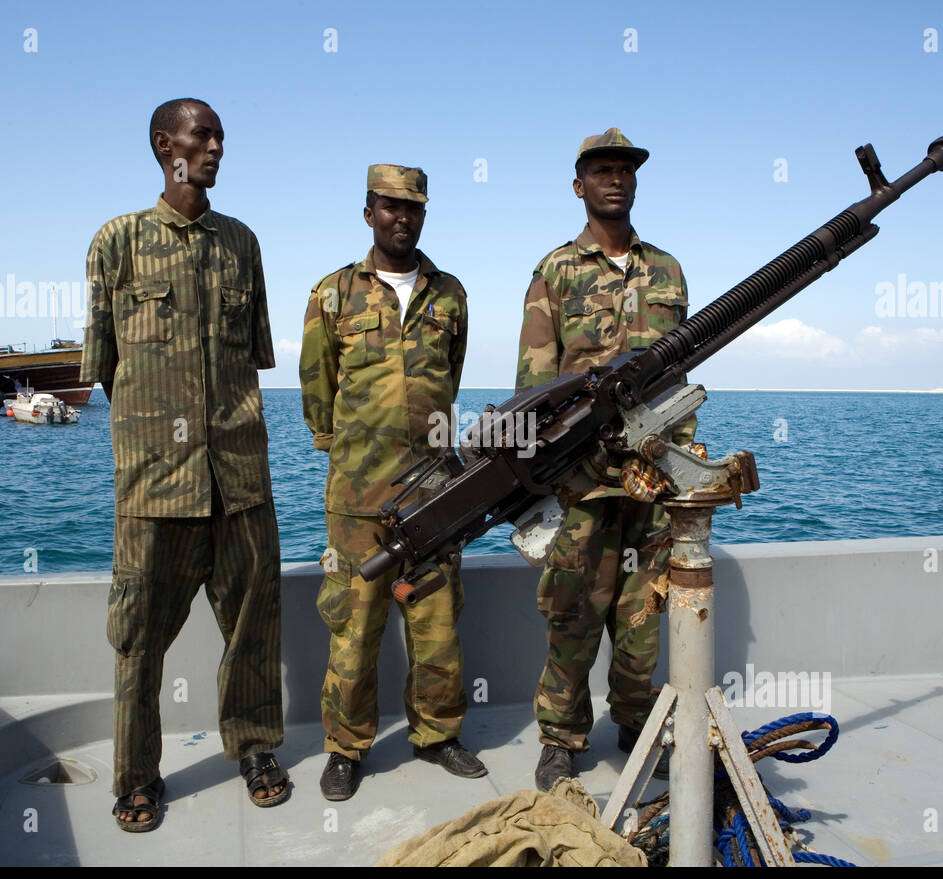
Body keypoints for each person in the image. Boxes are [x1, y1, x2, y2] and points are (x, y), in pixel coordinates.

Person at [81, 97, 288, 832]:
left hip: (239, 474)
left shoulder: (242, 244)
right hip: (153, 483)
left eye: (222, 136)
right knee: (137, 637)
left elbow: (253, 361)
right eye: (203, 135)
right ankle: (137, 776)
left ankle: (256, 748)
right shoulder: (118, 243)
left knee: (254, 624)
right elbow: (104, 367)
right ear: (164, 145)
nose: (216, 148)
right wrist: (155, 440)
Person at [514, 128, 694, 791]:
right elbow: (532, 385)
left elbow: (682, 378)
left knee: (644, 610)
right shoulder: (557, 270)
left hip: (651, 475)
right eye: (601, 170)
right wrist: (549, 471)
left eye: (624, 169)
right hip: (582, 481)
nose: (615, 179)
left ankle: (637, 719)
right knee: (573, 611)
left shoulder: (668, 270)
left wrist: (680, 463)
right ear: (579, 186)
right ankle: (561, 737)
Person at [300, 164, 486, 801]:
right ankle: (346, 748)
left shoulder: (450, 295)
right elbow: (317, 389)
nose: (401, 218)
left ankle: (438, 735)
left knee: (437, 627)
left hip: (437, 491)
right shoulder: (332, 293)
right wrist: (348, 454)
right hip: (357, 498)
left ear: (424, 215)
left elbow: (450, 382)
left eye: (413, 209)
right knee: (354, 630)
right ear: (368, 211)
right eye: (389, 207)